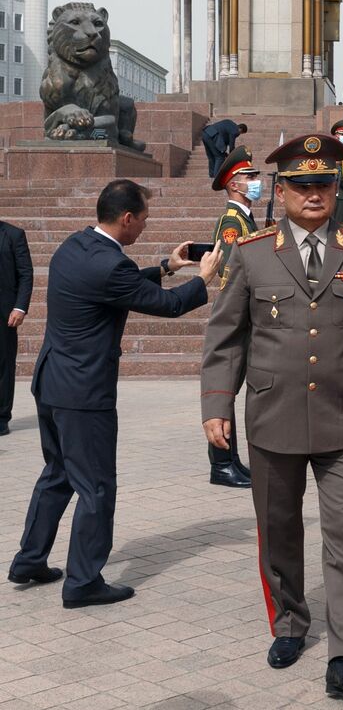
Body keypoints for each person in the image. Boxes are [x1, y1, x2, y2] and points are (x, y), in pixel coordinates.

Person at [200, 134, 343, 697]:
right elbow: (226, 336)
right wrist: (218, 405)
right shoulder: (253, 251)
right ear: (282, 190)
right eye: (302, 185)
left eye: (324, 184)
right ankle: (289, 623)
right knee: (280, 532)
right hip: (273, 417)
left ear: (338, 189)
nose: (314, 194)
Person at [9, 180, 219, 604]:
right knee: (96, 487)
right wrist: (203, 278)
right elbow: (168, 305)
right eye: (143, 219)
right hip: (85, 395)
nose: (144, 226)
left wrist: (165, 267)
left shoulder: (76, 245)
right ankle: (83, 582)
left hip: (52, 384)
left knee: (57, 475)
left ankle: (29, 560)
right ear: (127, 218)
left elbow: (116, 285)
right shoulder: (110, 265)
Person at [205, 146, 261, 489]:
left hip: (246, 311)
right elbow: (229, 269)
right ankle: (221, 463)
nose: (257, 182)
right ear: (234, 185)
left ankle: (231, 461)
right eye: (250, 177)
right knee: (226, 388)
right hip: (238, 312)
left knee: (233, 389)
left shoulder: (245, 217)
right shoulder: (232, 220)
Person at [0, 218, 32, 437]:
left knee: (3, 366)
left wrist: (20, 307)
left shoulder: (13, 234)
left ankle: (1, 418)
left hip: (4, 313)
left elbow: (25, 274)